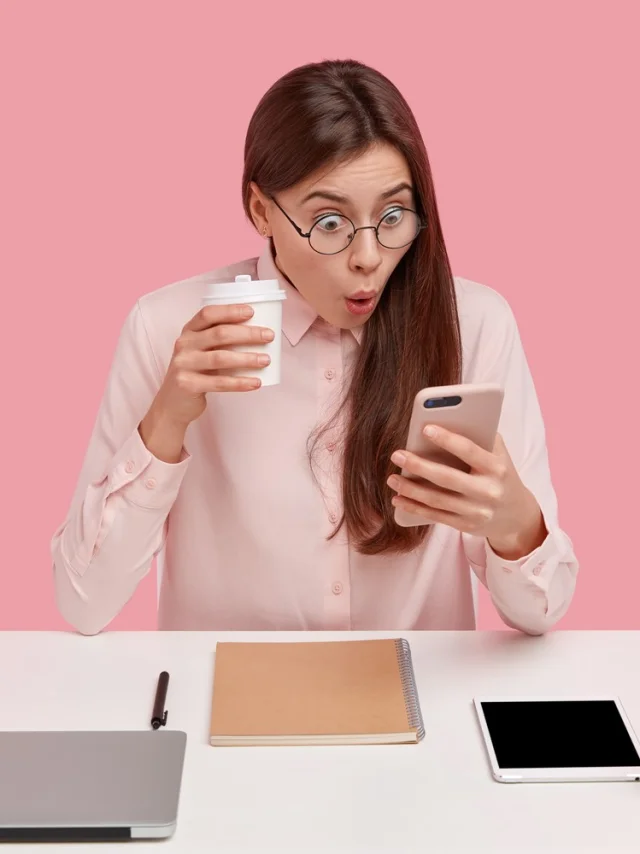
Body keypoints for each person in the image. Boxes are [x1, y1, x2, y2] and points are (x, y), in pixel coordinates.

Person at [51, 58, 578, 637]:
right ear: (260, 211)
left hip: (417, 703)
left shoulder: (473, 325)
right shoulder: (167, 328)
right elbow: (84, 602)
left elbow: (541, 613)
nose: (369, 257)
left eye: (393, 215)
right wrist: (167, 419)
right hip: (226, 702)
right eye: (329, 223)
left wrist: (512, 522)